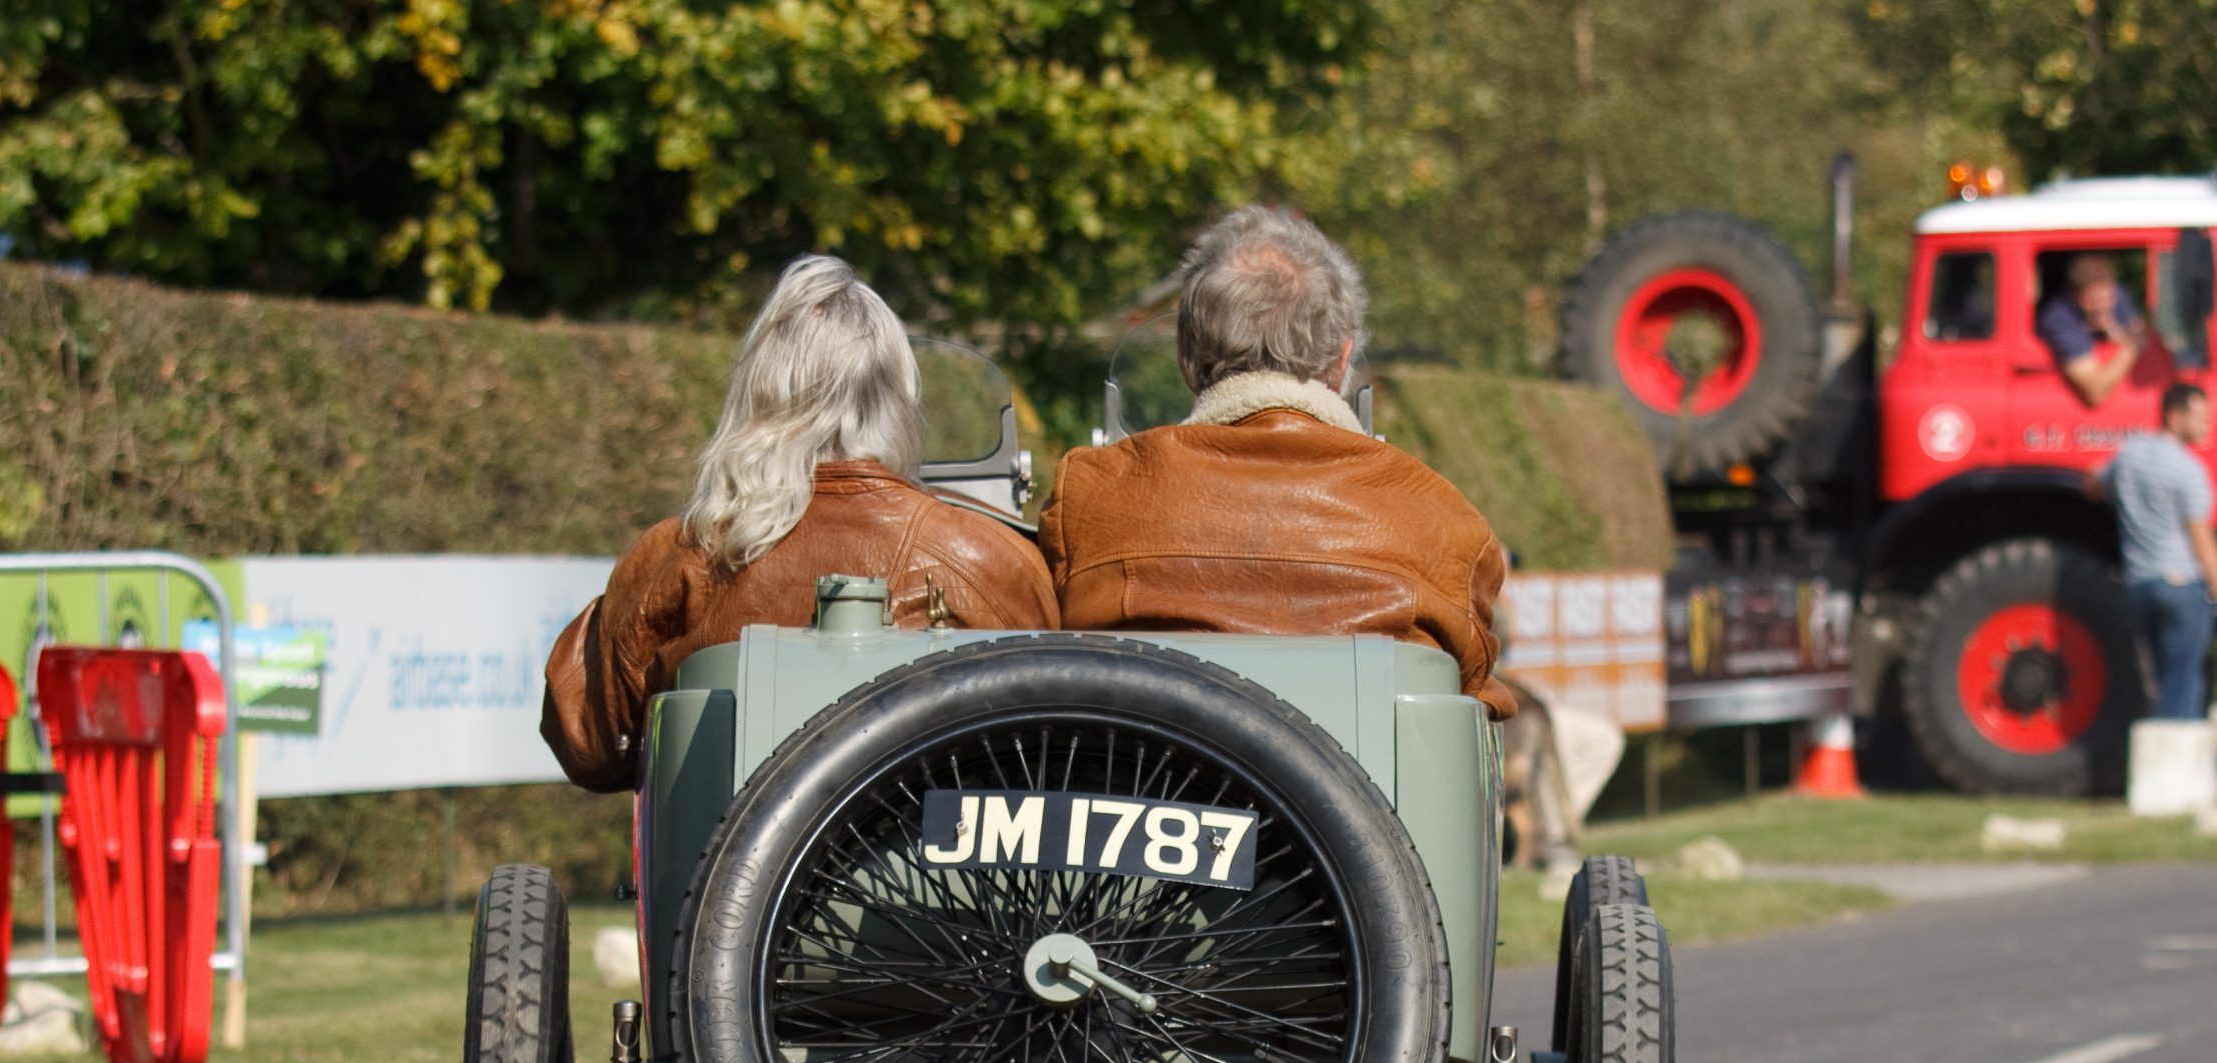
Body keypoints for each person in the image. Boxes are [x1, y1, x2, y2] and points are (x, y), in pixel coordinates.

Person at [541, 255, 1056, 791]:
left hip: (718, 870)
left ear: (761, 393)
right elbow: (1055, 751)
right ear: (902, 396)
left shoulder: (681, 558)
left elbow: (590, 750)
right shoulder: (994, 560)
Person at [1037, 205, 1515, 717]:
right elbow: (1472, 707)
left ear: (1183, 355)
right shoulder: (1444, 524)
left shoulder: (1092, 495)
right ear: (1342, 359)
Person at [2085, 382, 2217, 719]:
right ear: (2174, 416)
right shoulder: (2189, 470)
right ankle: (2176, 764)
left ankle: (2154, 757)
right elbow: (2204, 542)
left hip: (2139, 585)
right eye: (2199, 417)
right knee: (2184, 683)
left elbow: (2094, 484)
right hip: (2181, 585)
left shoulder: (2130, 453)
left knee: (2155, 679)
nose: (2207, 425)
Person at [2038, 255, 2146, 407]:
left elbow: (2141, 331)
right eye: (2092, 300)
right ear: (2074, 297)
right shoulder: (2058, 318)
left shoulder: (2118, 295)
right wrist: (2130, 348)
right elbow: (2095, 391)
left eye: (2107, 298)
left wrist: (2117, 332)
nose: (2102, 307)